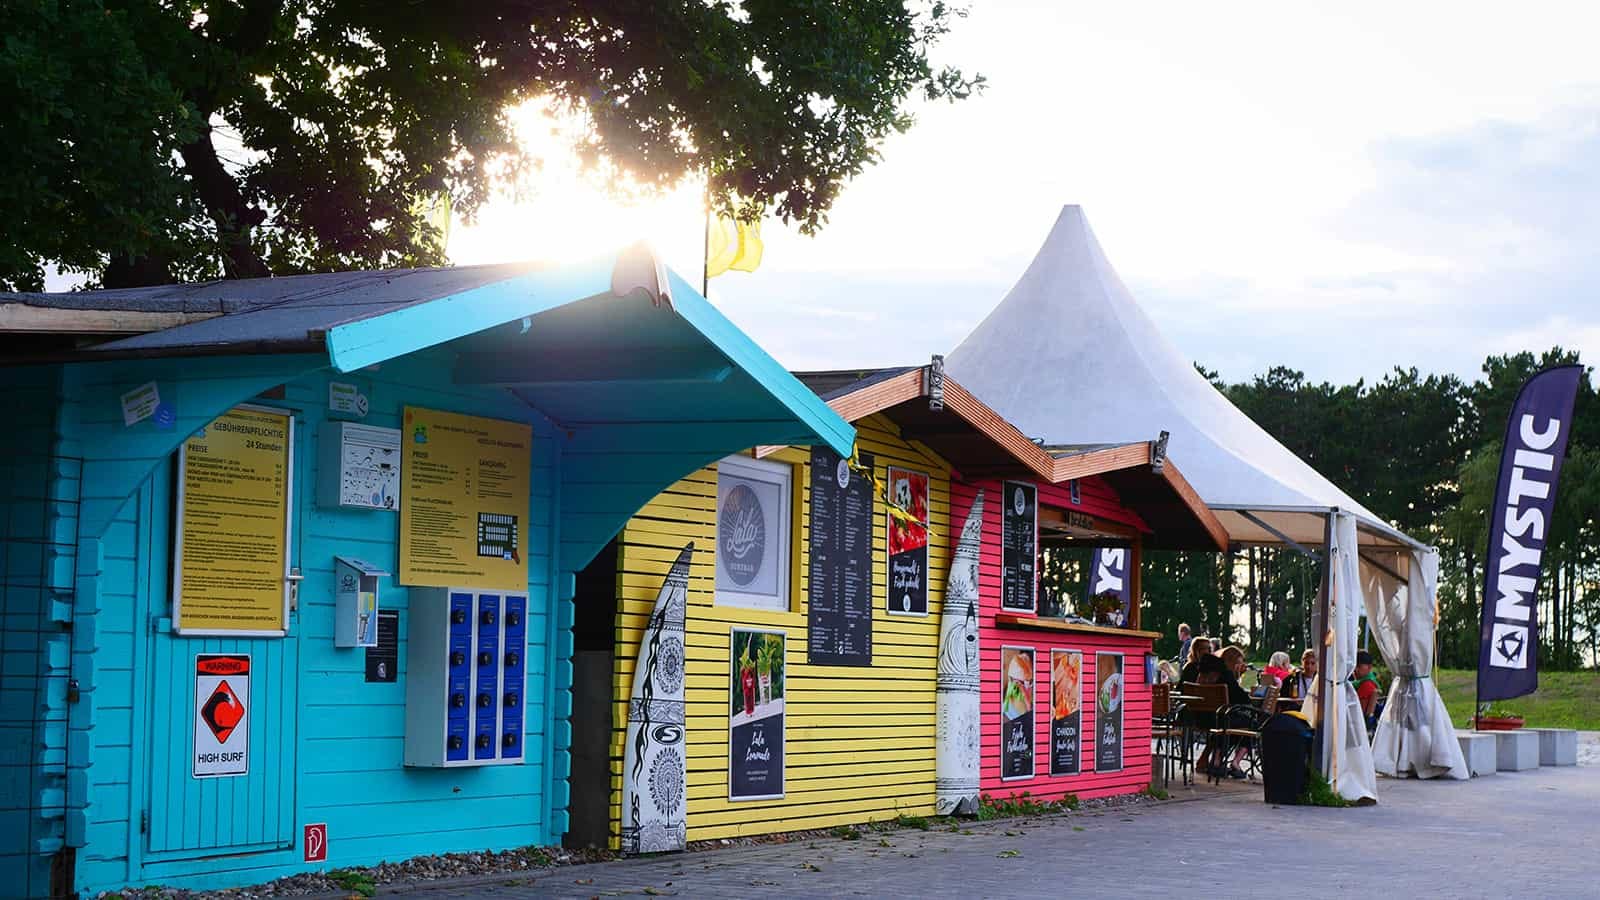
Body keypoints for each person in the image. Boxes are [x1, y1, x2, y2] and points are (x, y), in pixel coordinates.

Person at [1352, 650, 1381, 720]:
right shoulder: (1369, 681)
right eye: (1354, 666)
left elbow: (1358, 712)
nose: (1355, 669)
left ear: (1369, 667)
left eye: (1358, 666)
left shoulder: (1366, 684)